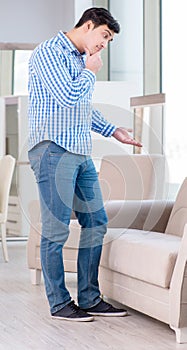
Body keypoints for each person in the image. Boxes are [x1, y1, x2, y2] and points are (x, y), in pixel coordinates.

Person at [28, 7, 142, 322]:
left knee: (97, 222)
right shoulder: (49, 52)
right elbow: (67, 97)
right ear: (88, 25)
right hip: (53, 149)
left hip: (79, 151)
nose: (104, 45)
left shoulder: (80, 61)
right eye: (104, 36)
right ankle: (60, 303)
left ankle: (90, 298)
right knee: (57, 228)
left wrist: (113, 130)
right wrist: (90, 72)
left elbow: (81, 108)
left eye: (109, 40)